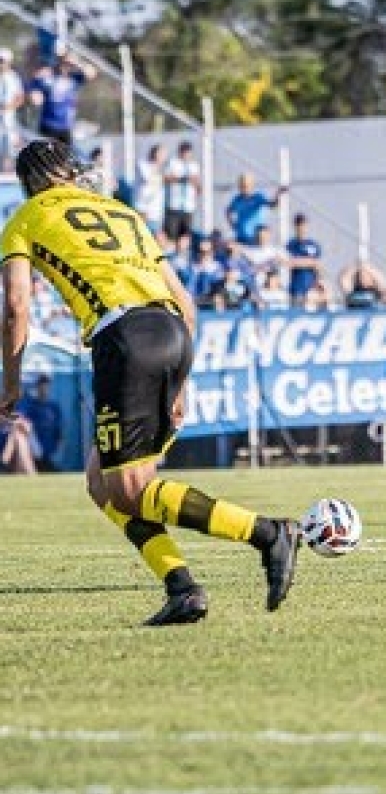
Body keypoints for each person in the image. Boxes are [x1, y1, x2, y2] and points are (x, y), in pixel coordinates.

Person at [0, 140, 301, 626]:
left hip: (124, 339)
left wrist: (9, 384)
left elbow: (15, 308)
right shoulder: (122, 212)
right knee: (102, 483)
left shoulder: (26, 217)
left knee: (131, 489)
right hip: (172, 331)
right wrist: (180, 384)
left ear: (31, 182)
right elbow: (185, 301)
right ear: (66, 172)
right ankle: (181, 587)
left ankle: (267, 533)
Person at [28, 45, 96, 145]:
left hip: (66, 126)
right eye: (63, 61)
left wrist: (77, 62)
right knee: (47, 158)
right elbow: (34, 93)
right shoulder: (48, 77)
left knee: (65, 158)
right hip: (48, 124)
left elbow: (91, 73)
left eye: (68, 63)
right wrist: (35, 94)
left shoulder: (74, 77)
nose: (65, 65)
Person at [17, 374, 63, 472]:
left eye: (46, 385)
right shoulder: (30, 405)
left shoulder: (53, 406)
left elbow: (59, 429)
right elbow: (23, 423)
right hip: (34, 453)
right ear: (37, 387)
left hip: (50, 452)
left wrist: (59, 445)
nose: (43, 388)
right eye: (41, 385)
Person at [226, 172, 286, 247]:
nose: (244, 188)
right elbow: (228, 210)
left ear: (252, 185)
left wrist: (278, 195)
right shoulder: (237, 199)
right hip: (241, 239)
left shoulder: (258, 197)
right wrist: (233, 225)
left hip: (255, 240)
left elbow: (272, 205)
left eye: (246, 185)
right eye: (241, 186)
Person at [163, 140, 202, 240]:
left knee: (185, 235)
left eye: (188, 153)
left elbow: (197, 182)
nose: (186, 155)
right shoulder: (172, 163)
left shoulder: (194, 165)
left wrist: (197, 187)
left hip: (188, 206)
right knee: (172, 234)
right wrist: (182, 179)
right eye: (184, 152)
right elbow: (166, 178)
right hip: (174, 205)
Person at [285, 213, 322, 308]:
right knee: (296, 315)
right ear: (295, 227)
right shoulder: (290, 245)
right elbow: (289, 263)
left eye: (303, 225)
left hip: (311, 288)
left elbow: (317, 265)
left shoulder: (313, 245)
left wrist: (299, 262)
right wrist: (308, 262)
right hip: (296, 288)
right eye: (298, 225)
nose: (301, 228)